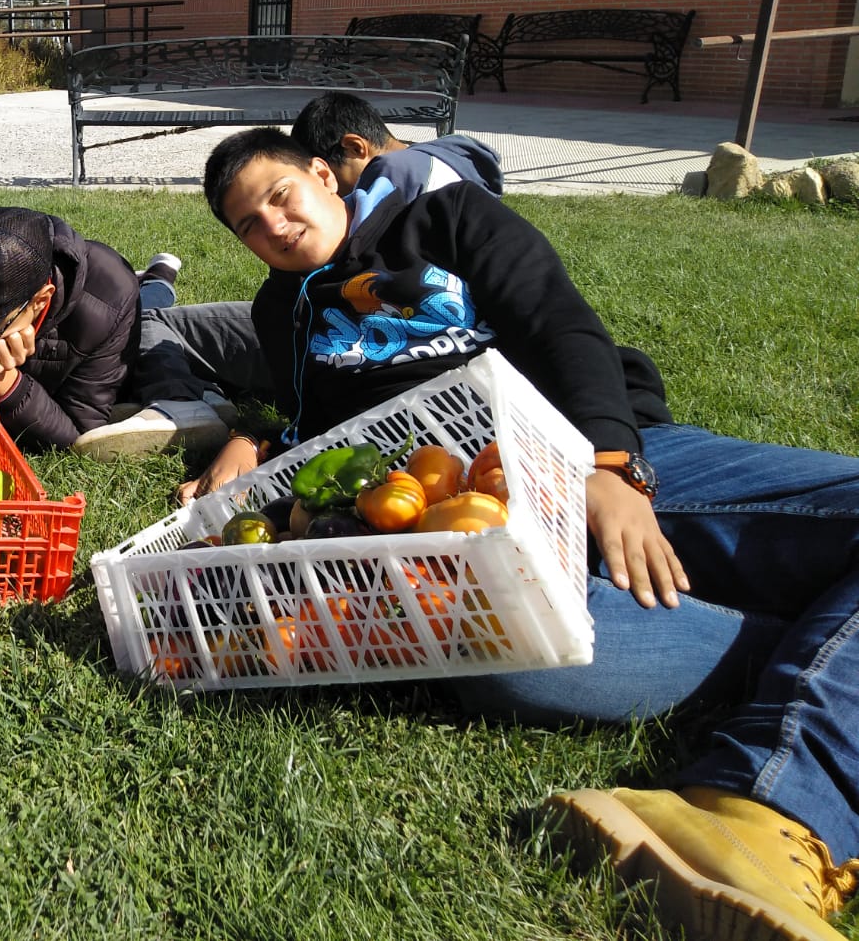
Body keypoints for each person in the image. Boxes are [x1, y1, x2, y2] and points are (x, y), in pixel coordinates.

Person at [190, 126, 859, 941]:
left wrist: (611, 468)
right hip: (464, 522)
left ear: (324, 175)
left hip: (580, 457)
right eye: (248, 226)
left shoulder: (443, 217)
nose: (274, 226)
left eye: (279, 196)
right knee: (501, 659)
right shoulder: (280, 307)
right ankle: (818, 673)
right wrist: (254, 441)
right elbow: (323, 428)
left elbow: (559, 323)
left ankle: (757, 807)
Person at [0, 207, 237, 457]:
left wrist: (8, 386)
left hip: (114, 296)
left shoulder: (108, 301)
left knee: (148, 314)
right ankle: (156, 277)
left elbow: (81, 433)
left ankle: (156, 278)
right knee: (148, 303)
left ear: (40, 300)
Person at [291, 91, 504, 199]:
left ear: (356, 148)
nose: (332, 192)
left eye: (328, 177)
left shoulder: (394, 173)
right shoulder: (443, 157)